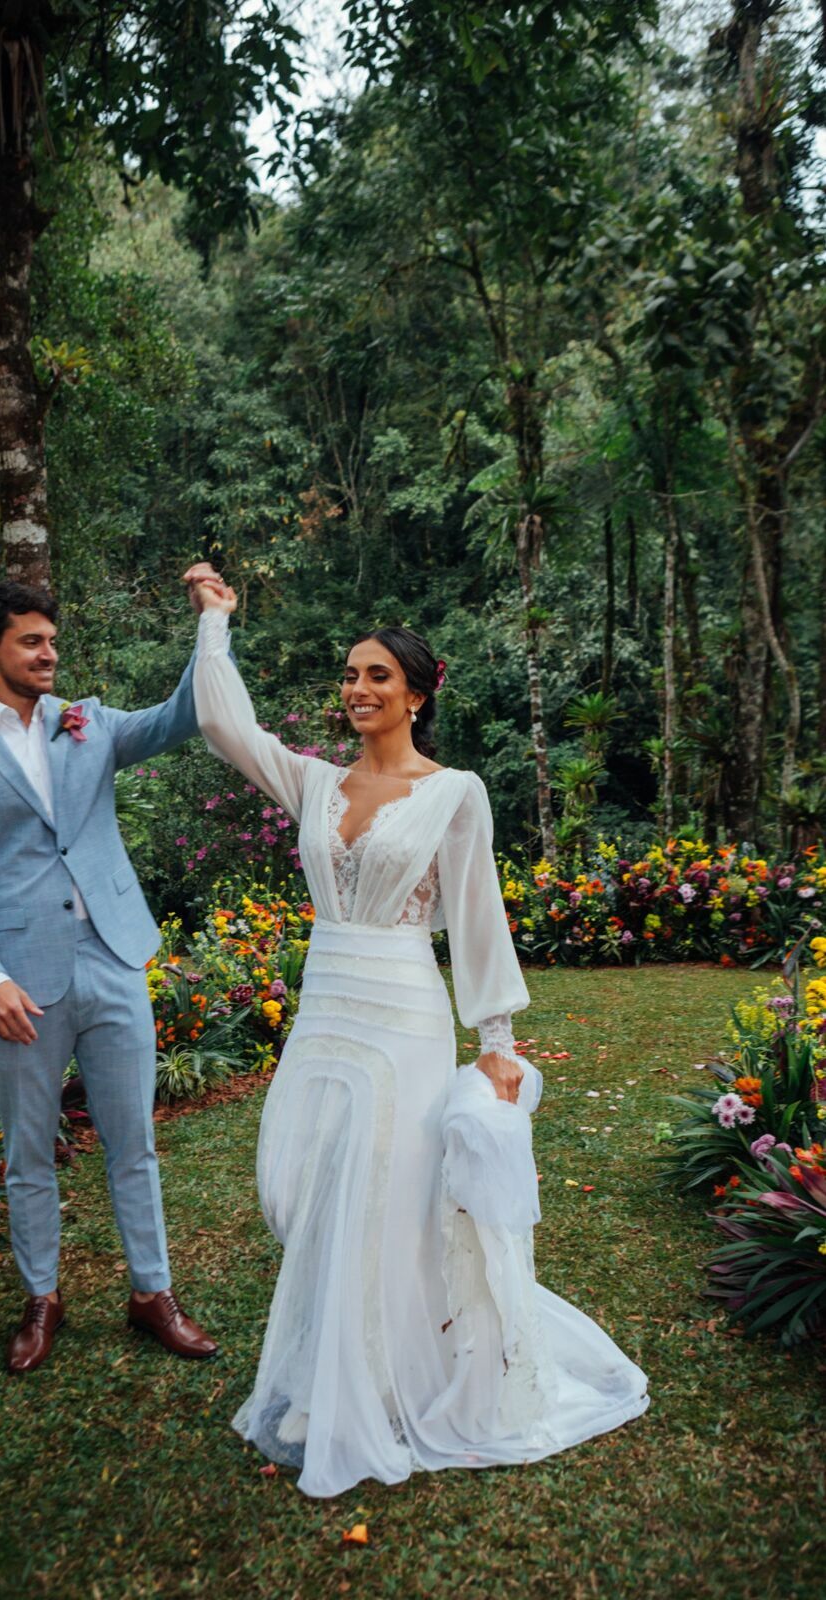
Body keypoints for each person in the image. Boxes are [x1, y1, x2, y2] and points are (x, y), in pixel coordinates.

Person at [186, 574, 649, 1499]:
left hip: (403, 1014)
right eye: (350, 674)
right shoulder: (316, 781)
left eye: (377, 676)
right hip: (325, 1009)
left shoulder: (455, 793)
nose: (356, 688)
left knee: (380, 1203)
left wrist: (497, 1039)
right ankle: (344, 1365)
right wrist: (214, 625)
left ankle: (360, 1386)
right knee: (295, 1183)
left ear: (416, 694)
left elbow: (476, 912)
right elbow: (221, 724)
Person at [0, 574, 224, 1374]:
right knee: (28, 1153)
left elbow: (184, 713)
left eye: (52, 640)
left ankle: (152, 1293)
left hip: (115, 958)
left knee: (134, 1142)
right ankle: (41, 1299)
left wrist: (210, 626)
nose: (49, 653)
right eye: (31, 641)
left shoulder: (90, 723)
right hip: (19, 985)